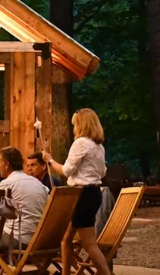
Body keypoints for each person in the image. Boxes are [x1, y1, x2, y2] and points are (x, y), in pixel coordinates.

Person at [43, 109, 111, 275]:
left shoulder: (81, 143)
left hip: (82, 195)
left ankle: (105, 272)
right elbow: (102, 172)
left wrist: (49, 161)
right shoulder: (99, 146)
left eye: (75, 125)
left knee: (88, 243)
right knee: (66, 239)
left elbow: (66, 171)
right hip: (93, 194)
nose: (74, 128)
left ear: (82, 125)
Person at [0, 147, 49, 251]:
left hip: (17, 239)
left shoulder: (6, 184)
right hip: (39, 240)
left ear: (6, 164)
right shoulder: (39, 184)